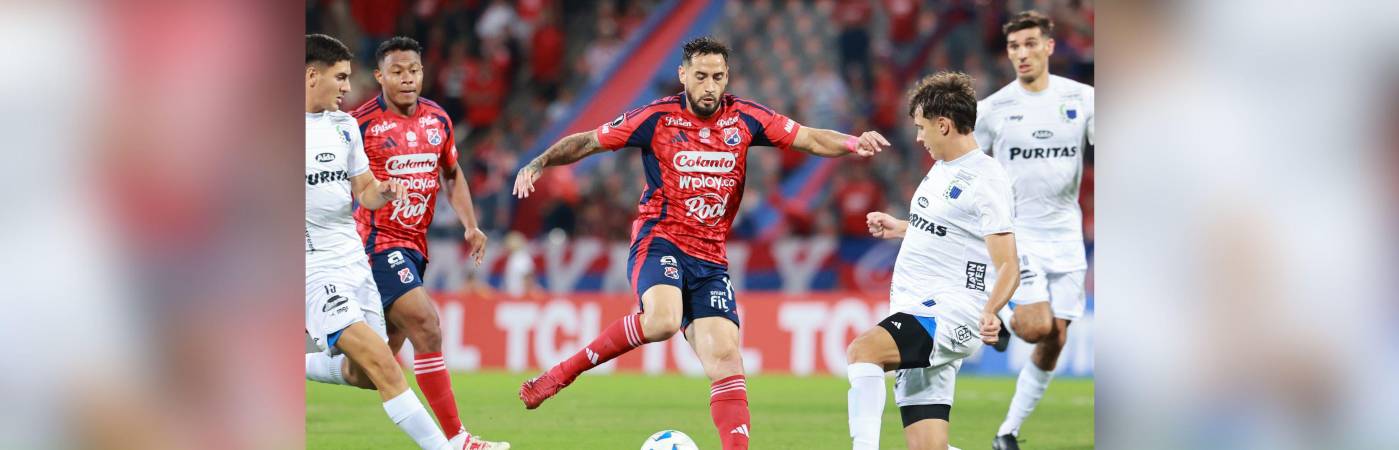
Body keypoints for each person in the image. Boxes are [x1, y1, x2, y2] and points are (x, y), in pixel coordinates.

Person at [512, 36, 890, 450]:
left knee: (727, 361)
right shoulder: (656, 118)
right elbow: (588, 141)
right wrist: (539, 161)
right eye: (701, 77)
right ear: (683, 76)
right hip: (660, 241)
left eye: (718, 77)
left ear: (727, 76)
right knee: (662, 320)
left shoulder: (745, 118)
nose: (710, 86)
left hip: (711, 260)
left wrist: (854, 143)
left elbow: (809, 138)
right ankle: (560, 374)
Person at [303, 33, 464, 450]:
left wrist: (386, 190)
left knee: (364, 374)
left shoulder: (343, 128)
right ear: (310, 75)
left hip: (354, 262)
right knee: (388, 367)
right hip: (314, 269)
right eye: (339, 78)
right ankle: (450, 446)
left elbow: (365, 192)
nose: (346, 87)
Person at [848, 71, 1019, 450]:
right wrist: (900, 227)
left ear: (943, 125)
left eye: (922, 127)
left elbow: (1008, 263)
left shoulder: (985, 179)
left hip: (950, 310)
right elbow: (952, 232)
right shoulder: (943, 168)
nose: (918, 136)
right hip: (918, 303)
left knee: (864, 350)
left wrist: (993, 310)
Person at [971, 11, 1095, 450]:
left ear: (1049, 47)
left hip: (1066, 236)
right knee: (1037, 326)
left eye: (1029, 44)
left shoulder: (1083, 99)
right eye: (1013, 47)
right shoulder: (993, 109)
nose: (1021, 54)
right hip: (1017, 234)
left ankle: (1007, 432)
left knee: (1057, 337)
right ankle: (1002, 311)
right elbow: (966, 163)